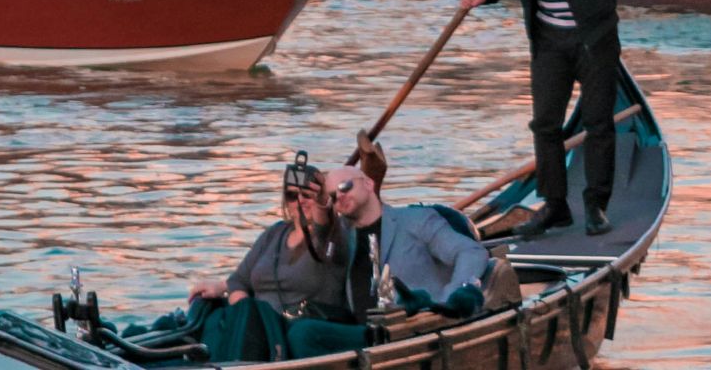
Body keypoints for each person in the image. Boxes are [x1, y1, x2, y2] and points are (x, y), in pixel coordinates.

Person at [460, 0, 619, 237]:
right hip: (549, 40)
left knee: (599, 123)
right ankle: (555, 205)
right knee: (545, 124)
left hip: (593, 37)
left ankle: (596, 204)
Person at [282, 164, 489, 357]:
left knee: (304, 334)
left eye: (345, 186)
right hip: (366, 333)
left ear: (369, 183)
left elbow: (471, 252)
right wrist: (320, 208)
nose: (341, 197)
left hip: (416, 328)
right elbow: (321, 256)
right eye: (333, 196)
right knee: (291, 328)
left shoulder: (416, 220)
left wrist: (451, 298)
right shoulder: (341, 236)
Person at [187, 153, 348, 358]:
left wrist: (323, 209)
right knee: (204, 309)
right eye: (292, 196)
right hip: (255, 328)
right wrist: (244, 314)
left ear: (320, 199)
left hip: (294, 328)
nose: (300, 202)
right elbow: (238, 281)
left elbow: (326, 231)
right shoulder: (275, 234)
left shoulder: (334, 236)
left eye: (307, 195)